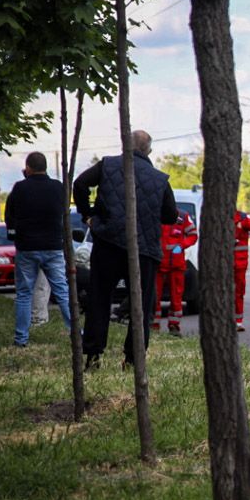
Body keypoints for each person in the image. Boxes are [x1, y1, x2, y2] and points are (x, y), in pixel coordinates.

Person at [73, 130, 177, 371]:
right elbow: (170, 215)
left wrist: (87, 214)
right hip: (144, 250)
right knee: (141, 305)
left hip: (108, 243)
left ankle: (93, 356)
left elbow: (80, 184)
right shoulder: (159, 178)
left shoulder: (107, 165)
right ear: (148, 151)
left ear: (125, 145)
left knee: (100, 298)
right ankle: (133, 360)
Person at [5, 152, 72, 347]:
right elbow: (63, 212)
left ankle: (21, 339)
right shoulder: (58, 188)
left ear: (28, 168)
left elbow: (11, 216)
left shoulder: (19, 188)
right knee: (62, 292)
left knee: (24, 294)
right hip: (53, 247)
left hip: (27, 248)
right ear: (46, 167)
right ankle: (76, 333)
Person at [153, 211, 197, 336]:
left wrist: (181, 246)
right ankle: (154, 326)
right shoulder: (156, 214)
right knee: (154, 297)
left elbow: (193, 235)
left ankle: (174, 326)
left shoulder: (182, 217)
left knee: (176, 297)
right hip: (158, 264)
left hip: (176, 265)